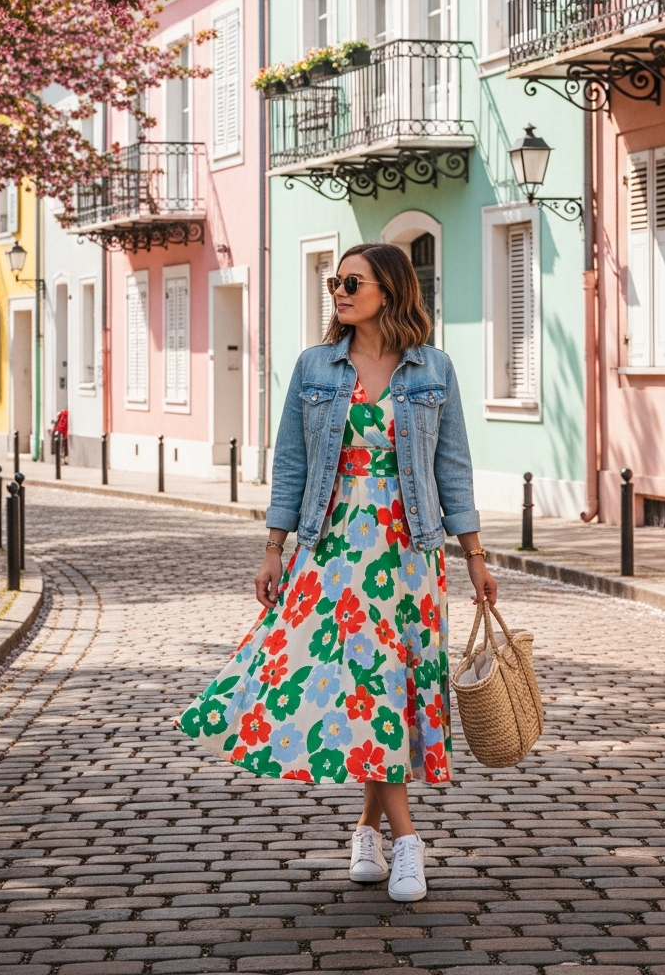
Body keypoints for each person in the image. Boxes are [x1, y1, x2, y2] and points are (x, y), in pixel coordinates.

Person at [175, 241, 496, 902]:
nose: (340, 292)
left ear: (392, 291)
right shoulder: (316, 367)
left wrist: (475, 556)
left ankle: (368, 829)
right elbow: (291, 461)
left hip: (409, 554)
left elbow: (453, 467)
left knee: (391, 687)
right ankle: (407, 840)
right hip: (333, 547)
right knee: (356, 685)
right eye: (334, 281)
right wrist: (274, 546)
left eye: (353, 281)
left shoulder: (433, 368)